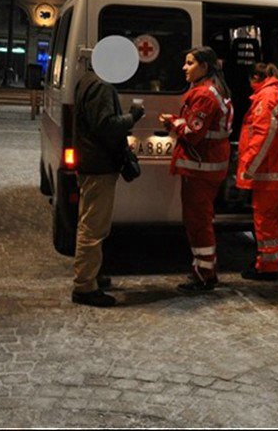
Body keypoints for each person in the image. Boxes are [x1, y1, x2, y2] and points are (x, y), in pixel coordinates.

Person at [71, 48, 145, 308]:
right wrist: (133, 117)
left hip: (91, 162)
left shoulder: (87, 81)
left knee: (90, 221)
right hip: (99, 165)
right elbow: (106, 126)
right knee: (93, 227)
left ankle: (92, 274)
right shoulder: (102, 86)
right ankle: (84, 286)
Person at [160, 46, 233, 293]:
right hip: (206, 166)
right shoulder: (213, 90)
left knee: (198, 222)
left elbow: (192, 134)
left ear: (204, 67)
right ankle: (204, 269)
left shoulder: (204, 95)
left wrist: (172, 122)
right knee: (201, 220)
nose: (184, 67)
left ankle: (204, 275)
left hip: (200, 168)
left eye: (190, 63)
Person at [236, 62, 278, 280]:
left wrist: (249, 166)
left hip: (268, 171)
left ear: (255, 78)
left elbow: (263, 136)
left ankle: (266, 266)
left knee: (265, 218)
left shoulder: (266, 98)